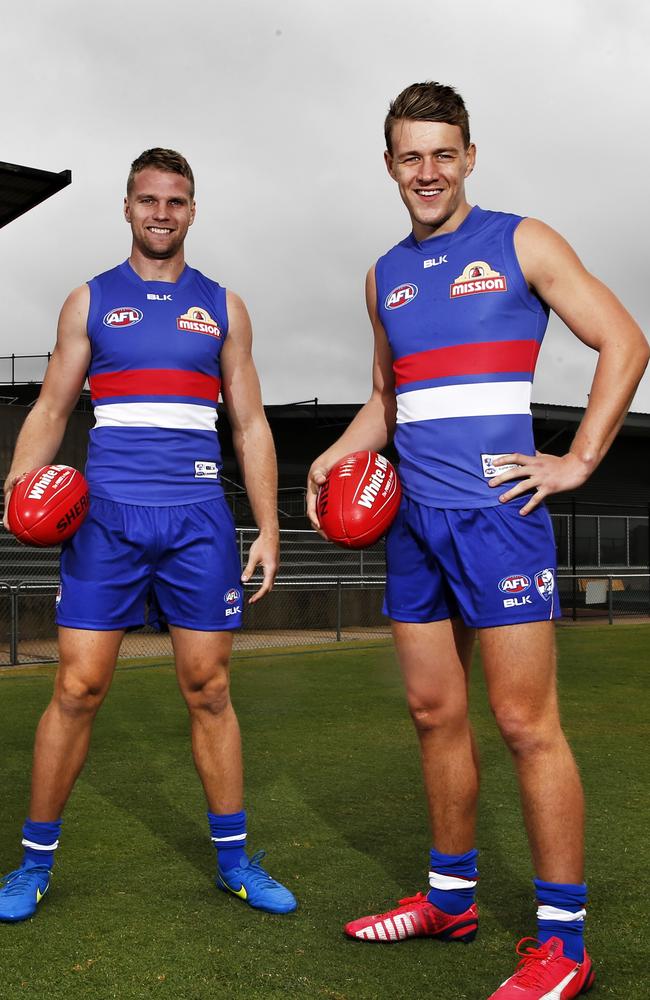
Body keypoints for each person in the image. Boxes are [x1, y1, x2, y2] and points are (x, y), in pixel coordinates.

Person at [307, 83, 649, 999]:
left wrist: (577, 460)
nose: (428, 171)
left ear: (469, 156)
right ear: (390, 165)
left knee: (526, 725)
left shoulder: (521, 241)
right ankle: (450, 901)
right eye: (411, 156)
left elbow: (624, 339)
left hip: (501, 521)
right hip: (416, 525)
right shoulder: (383, 275)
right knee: (433, 714)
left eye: (444, 152)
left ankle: (564, 946)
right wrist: (335, 454)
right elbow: (389, 399)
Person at [0, 148, 296, 922]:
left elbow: (251, 422)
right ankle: (32, 865)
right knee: (76, 688)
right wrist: (16, 486)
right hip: (107, 518)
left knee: (210, 690)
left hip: (198, 520)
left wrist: (267, 526)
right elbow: (52, 410)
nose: (161, 213)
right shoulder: (90, 301)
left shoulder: (223, 307)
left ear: (193, 211)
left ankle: (235, 862)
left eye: (176, 201)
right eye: (148, 200)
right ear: (126, 208)